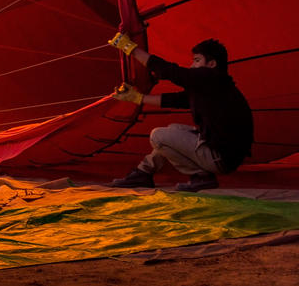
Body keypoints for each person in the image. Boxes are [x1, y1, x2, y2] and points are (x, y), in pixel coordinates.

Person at [108, 34, 253, 192]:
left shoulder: (211, 79)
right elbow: (176, 100)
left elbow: (170, 72)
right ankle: (143, 173)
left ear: (211, 64)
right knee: (173, 130)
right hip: (223, 155)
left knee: (158, 136)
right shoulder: (214, 88)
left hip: (219, 158)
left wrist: (130, 48)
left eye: (197, 61)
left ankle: (201, 176)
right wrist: (137, 98)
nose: (191, 66)